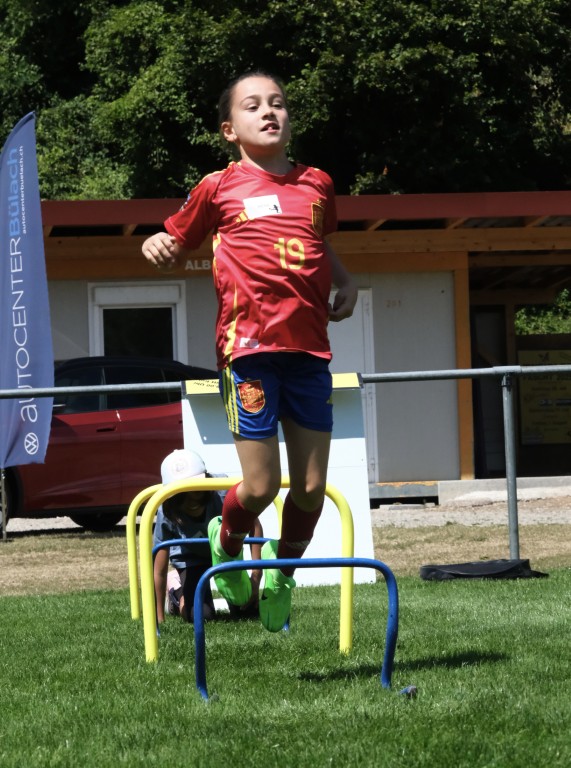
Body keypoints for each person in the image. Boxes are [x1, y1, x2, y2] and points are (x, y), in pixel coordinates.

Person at [143, 71, 357, 632]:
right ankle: (228, 540)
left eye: (278, 103)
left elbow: (319, 243)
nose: (268, 112)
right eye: (253, 105)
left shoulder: (318, 183)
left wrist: (346, 281)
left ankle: (282, 575)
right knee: (260, 486)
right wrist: (155, 241)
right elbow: (175, 237)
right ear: (229, 129)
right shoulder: (218, 187)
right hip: (249, 351)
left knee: (310, 488)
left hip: (310, 352)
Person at [153, 448, 262, 623]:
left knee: (247, 610)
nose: (192, 501)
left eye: (196, 491)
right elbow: (159, 568)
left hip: (225, 554)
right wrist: (159, 619)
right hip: (191, 559)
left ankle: (237, 598)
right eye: (182, 496)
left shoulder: (224, 491)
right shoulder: (166, 511)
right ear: (172, 499)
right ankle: (176, 591)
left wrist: (256, 578)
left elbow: (254, 525)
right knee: (200, 615)